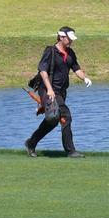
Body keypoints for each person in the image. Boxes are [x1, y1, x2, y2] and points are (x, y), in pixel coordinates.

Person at [25, 26, 92, 158]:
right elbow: (43, 71)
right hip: (48, 90)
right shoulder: (50, 51)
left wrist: (85, 78)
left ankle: (31, 143)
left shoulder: (70, 53)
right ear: (61, 37)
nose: (71, 41)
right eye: (69, 39)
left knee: (53, 120)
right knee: (66, 116)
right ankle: (70, 151)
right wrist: (49, 89)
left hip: (61, 92)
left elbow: (76, 68)